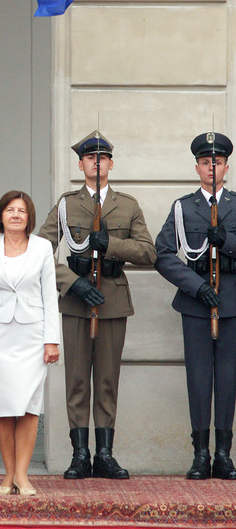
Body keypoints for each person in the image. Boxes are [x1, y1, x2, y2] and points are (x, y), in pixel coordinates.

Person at [38, 131, 156, 480]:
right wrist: (70, 282)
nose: (97, 163)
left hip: (112, 300)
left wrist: (113, 245)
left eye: (103, 158)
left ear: (111, 164)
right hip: (76, 301)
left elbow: (148, 252)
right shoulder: (66, 204)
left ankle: (105, 454)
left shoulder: (128, 205)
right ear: (81, 164)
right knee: (76, 380)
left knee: (106, 380)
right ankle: (80, 454)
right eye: (91, 158)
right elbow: (40, 251)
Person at [155, 131, 236, 480]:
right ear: (197, 167)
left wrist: (228, 240)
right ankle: (200, 454)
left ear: (226, 167)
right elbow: (162, 254)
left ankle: (223, 455)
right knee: (199, 378)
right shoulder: (183, 208)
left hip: (231, 301)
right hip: (197, 301)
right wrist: (197, 286)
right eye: (205, 162)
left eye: (216, 162)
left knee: (228, 379)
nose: (211, 167)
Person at [0, 190, 59, 496]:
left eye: (21, 211)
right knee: (3, 407)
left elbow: (50, 296)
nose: (15, 215)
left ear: (29, 217)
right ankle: (8, 475)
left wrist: (52, 340)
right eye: (10, 209)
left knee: (28, 406)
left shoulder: (42, 248)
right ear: (0, 215)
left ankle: (23, 475)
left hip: (32, 337)